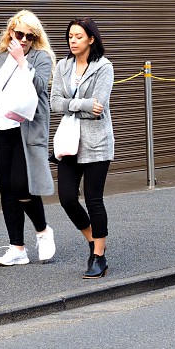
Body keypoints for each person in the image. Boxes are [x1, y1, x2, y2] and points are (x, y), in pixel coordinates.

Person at [0, 10, 56, 266]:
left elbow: (39, 86)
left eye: (31, 35)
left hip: (25, 131)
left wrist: (22, 61)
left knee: (22, 186)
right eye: (20, 34)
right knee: (6, 188)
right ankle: (17, 247)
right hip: (1, 130)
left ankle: (42, 230)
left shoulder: (40, 57)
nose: (25, 39)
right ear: (10, 33)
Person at [50, 17, 114, 279]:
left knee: (93, 199)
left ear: (91, 39)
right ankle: (93, 239)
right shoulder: (63, 66)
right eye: (70, 37)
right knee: (66, 198)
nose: (73, 41)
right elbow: (54, 103)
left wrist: (74, 104)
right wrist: (82, 105)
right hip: (69, 143)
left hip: (96, 142)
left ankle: (99, 256)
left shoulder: (104, 67)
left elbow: (99, 107)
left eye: (78, 36)